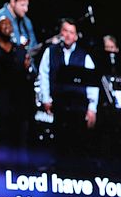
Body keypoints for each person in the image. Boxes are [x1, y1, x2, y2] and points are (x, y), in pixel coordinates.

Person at [37, 18, 98, 153]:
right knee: (59, 143)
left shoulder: (84, 56)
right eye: (65, 31)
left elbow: (92, 84)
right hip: (58, 105)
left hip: (78, 107)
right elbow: (43, 75)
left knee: (77, 145)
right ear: (60, 33)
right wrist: (45, 98)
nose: (68, 35)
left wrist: (92, 108)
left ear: (76, 37)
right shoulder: (51, 52)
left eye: (71, 32)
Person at [0, 16, 36, 150]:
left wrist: (28, 68)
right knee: (0, 142)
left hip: (18, 107)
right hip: (0, 104)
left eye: (9, 24)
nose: (6, 27)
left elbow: (28, 78)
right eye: (3, 24)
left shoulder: (20, 52)